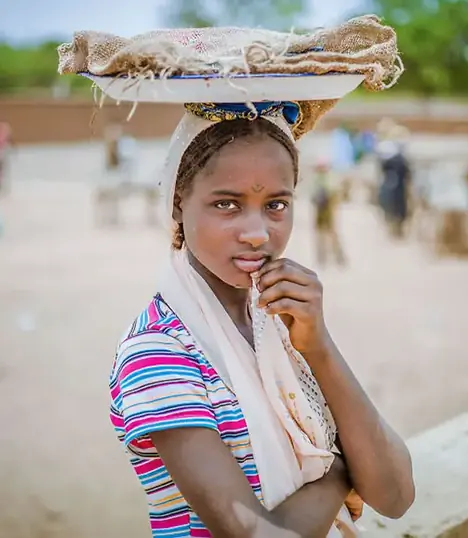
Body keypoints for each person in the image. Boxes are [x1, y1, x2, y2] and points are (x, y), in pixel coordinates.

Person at [59, 17, 412, 538]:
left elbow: (395, 493)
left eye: (276, 204)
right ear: (178, 204)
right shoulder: (160, 353)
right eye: (226, 204)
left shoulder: (279, 328)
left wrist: (317, 343)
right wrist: (338, 472)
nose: (256, 233)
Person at [312, 158, 347, 266]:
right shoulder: (318, 179)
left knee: (332, 234)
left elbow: (335, 195)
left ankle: (338, 257)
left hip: (328, 210)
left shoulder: (329, 179)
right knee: (322, 235)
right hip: (321, 211)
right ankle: (323, 258)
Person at [376, 139, 411, 239]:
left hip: (395, 190)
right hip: (396, 190)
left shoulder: (391, 161)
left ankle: (395, 228)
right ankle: (395, 228)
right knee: (396, 209)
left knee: (394, 209)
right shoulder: (398, 160)